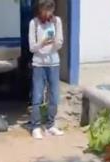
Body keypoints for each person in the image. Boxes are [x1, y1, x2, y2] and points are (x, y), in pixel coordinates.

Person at [28, 0, 64, 140]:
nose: (48, 13)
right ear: (40, 9)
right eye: (45, 10)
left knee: (54, 96)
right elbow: (32, 47)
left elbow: (60, 42)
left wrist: (54, 42)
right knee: (37, 96)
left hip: (54, 63)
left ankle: (50, 125)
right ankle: (35, 126)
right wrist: (42, 43)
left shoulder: (57, 21)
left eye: (50, 10)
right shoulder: (34, 23)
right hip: (38, 63)